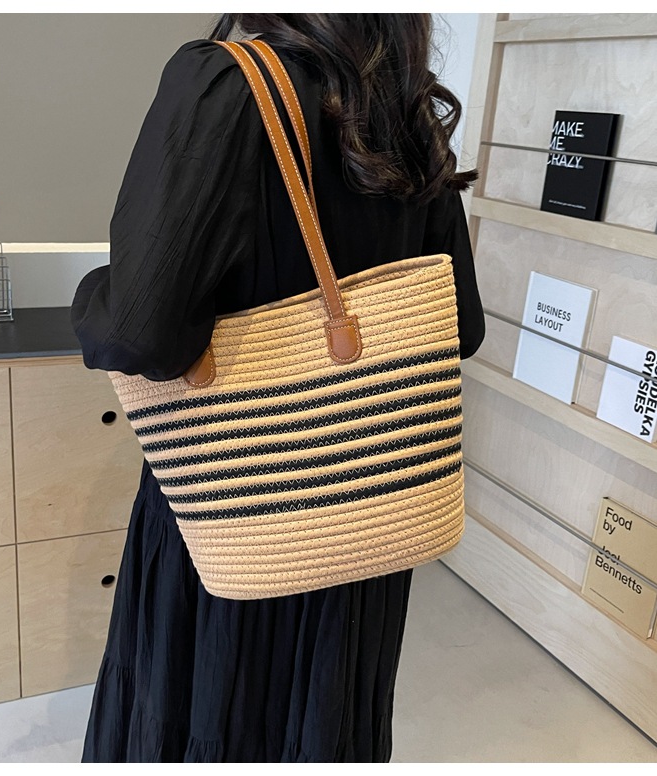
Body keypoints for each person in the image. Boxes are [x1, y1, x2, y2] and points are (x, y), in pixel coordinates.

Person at [71, 13, 485, 763]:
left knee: (211, 718)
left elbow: (141, 335)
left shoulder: (223, 86)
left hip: (234, 512)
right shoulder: (406, 110)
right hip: (370, 518)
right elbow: (462, 326)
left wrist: (95, 292)